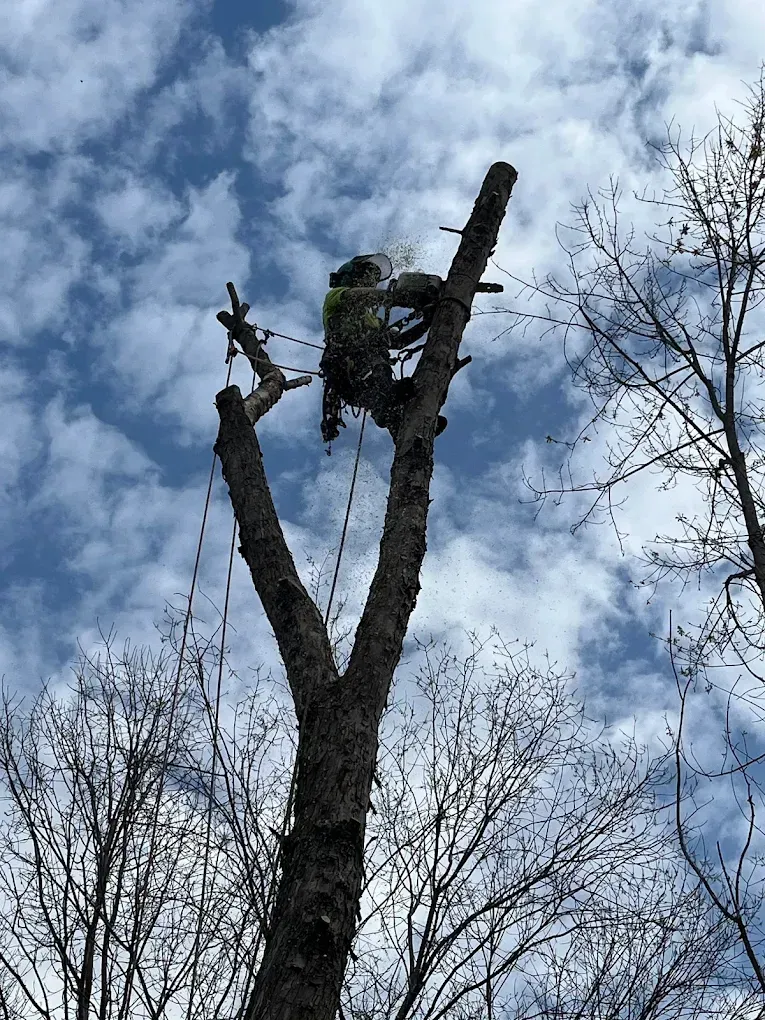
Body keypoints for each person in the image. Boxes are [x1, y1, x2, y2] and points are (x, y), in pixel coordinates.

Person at [320, 253, 447, 443]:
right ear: (353, 276)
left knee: (391, 381)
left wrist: (426, 321)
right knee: (378, 367)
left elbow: (397, 341)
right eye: (367, 275)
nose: (370, 281)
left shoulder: (372, 320)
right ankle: (387, 408)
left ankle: (405, 426)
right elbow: (364, 296)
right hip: (347, 369)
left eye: (373, 277)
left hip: (371, 376)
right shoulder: (336, 295)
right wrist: (400, 297)